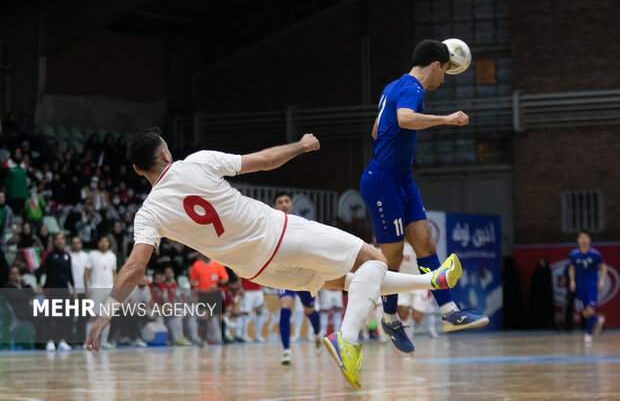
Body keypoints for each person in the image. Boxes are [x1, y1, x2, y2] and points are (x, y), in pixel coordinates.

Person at [85, 127, 462, 389]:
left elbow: (134, 268)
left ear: (138, 170)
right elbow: (264, 161)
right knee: (373, 259)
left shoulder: (148, 214)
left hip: (258, 269)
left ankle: (433, 280)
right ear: (166, 153)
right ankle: (346, 339)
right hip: (279, 234)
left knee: (349, 282)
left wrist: (105, 315)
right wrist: (300, 145)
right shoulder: (196, 162)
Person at [359, 39, 488, 353]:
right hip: (383, 181)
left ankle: (450, 313)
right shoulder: (412, 89)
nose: (443, 80)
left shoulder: (393, 87)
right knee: (390, 256)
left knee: (426, 243)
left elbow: (378, 128)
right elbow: (403, 119)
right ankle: (390, 319)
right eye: (444, 73)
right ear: (435, 65)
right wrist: (446, 119)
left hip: (403, 177)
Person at [272, 192, 322, 365]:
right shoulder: (271, 225)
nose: (284, 204)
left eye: (287, 201)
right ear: (275, 207)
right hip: (284, 273)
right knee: (285, 307)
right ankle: (286, 351)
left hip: (304, 273)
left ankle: (317, 333)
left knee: (309, 311)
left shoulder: (302, 222)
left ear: (291, 204)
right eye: (280, 202)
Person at [35, 233, 74, 351]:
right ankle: (49, 341)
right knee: (50, 315)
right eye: (58, 239)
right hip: (51, 288)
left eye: (62, 239)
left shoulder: (67, 256)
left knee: (63, 316)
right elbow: (40, 270)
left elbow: (69, 274)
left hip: (64, 289)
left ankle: (61, 340)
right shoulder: (49, 255)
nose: (60, 241)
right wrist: (38, 283)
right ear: (54, 242)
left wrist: (74, 288)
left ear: (65, 242)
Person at [568, 231, 607, 343]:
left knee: (590, 308)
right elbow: (571, 268)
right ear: (578, 240)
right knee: (585, 313)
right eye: (581, 238)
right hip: (580, 285)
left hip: (592, 284)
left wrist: (602, 281)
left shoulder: (595, 254)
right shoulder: (574, 254)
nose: (583, 240)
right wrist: (572, 281)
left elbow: (604, 267)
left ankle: (588, 334)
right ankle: (598, 319)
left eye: (586, 237)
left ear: (589, 240)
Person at [396, 242, 437, 339]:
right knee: (402, 313)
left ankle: (410, 308)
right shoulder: (397, 243)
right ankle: (406, 335)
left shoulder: (422, 243)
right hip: (403, 279)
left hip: (419, 280)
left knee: (418, 318)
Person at [84, 235, 117, 349]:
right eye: (102, 241)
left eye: (106, 241)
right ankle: (88, 341)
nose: (104, 243)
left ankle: (104, 342)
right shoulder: (92, 255)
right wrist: (87, 288)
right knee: (93, 316)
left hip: (109, 289)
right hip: (96, 289)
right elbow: (86, 273)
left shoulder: (112, 256)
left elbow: (114, 274)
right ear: (98, 243)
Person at [69, 236, 90, 343]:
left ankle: (81, 341)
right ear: (72, 245)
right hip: (72, 292)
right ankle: (70, 341)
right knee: (70, 317)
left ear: (81, 244)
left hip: (84, 291)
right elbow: (68, 275)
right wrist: (72, 290)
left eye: (78, 242)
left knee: (83, 318)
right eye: (74, 242)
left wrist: (88, 289)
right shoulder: (69, 257)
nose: (76, 244)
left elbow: (89, 274)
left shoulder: (87, 256)